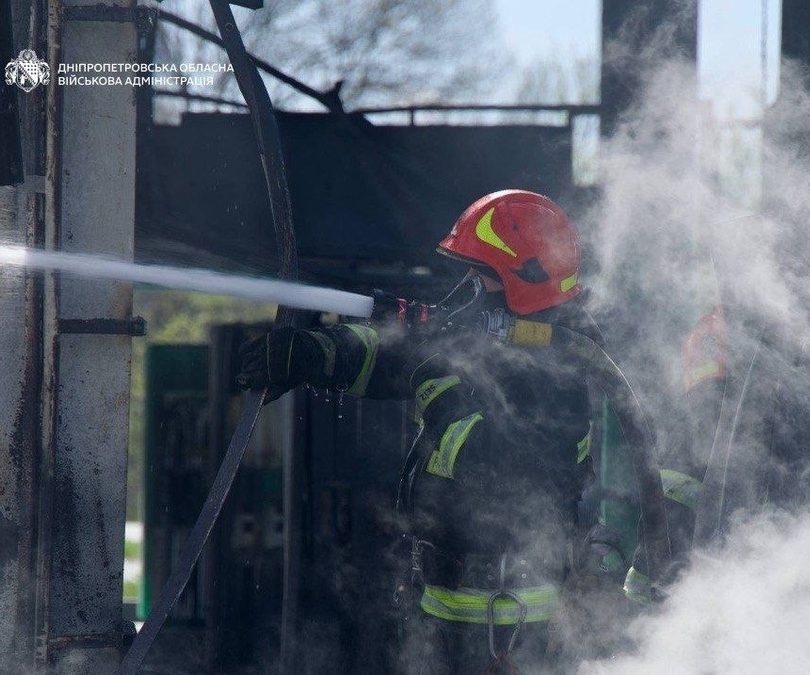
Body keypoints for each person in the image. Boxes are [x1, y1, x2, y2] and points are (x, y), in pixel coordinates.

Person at [238, 189, 621, 673]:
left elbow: (487, 464)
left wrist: (438, 370)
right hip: (444, 613)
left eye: (480, 274)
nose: (468, 284)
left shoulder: (561, 376)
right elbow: (391, 357)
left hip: (512, 631)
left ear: (520, 282)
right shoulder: (488, 351)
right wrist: (316, 354)